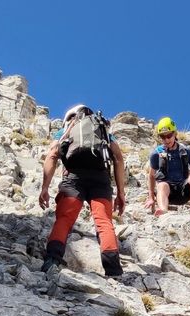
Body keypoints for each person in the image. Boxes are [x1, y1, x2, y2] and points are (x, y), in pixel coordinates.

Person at [39, 104, 127, 278]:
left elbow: (52, 155)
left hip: (73, 177)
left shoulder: (69, 129)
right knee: (103, 222)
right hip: (100, 179)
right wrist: (121, 193)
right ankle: (114, 270)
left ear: (70, 117)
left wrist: (44, 187)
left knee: (64, 219)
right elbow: (118, 158)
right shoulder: (102, 129)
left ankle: (52, 260)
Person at [147, 118, 190, 215]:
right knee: (162, 184)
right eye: (162, 137)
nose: (166, 139)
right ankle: (163, 211)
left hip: (184, 191)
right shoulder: (156, 153)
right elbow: (151, 175)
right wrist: (150, 197)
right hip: (168, 193)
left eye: (169, 136)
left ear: (175, 134)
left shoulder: (186, 151)